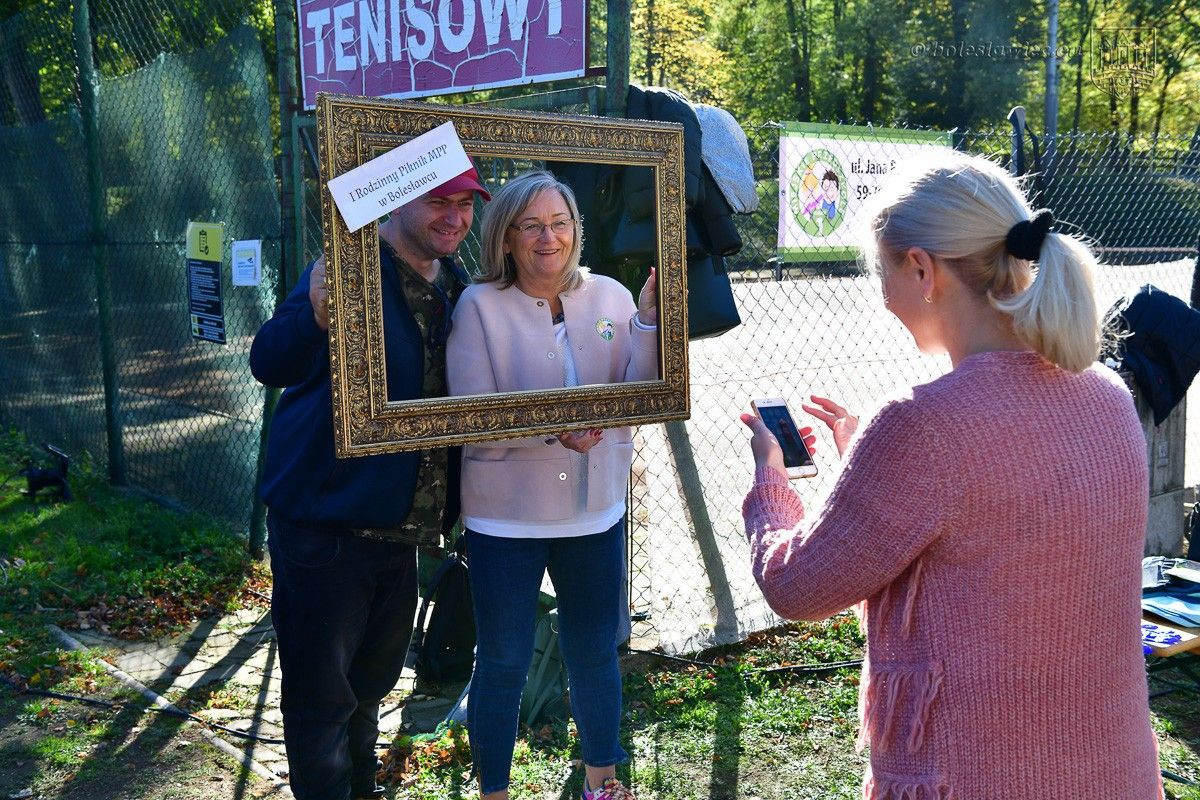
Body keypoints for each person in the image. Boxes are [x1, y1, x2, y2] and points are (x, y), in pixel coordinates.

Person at [740, 151, 1163, 799]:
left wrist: (770, 482)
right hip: (1116, 774)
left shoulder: (922, 428)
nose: (882, 297)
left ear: (921, 269)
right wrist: (866, 467)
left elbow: (797, 586)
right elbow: (1002, 530)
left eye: (880, 272)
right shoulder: (1107, 395)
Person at [249, 166, 490, 800]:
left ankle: (360, 788)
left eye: (466, 204)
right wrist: (314, 319)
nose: (455, 218)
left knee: (372, 684)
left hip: (402, 526)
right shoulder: (347, 266)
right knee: (322, 696)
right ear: (398, 198)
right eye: (439, 200)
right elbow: (269, 360)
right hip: (326, 521)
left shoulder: (457, 285)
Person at [445, 170, 658, 800]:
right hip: (505, 518)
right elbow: (472, 416)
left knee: (594, 651)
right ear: (506, 237)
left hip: (595, 510)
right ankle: (494, 790)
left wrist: (649, 324)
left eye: (560, 223)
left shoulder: (611, 295)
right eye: (532, 225)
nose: (549, 237)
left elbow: (641, 393)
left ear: (576, 230)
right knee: (503, 660)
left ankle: (603, 781)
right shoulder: (478, 306)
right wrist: (552, 429)